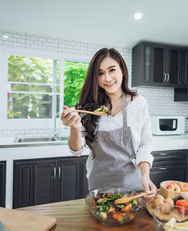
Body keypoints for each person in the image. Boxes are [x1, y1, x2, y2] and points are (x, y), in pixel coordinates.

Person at [60, 48, 156, 198]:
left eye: (112, 70)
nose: (107, 78)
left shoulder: (139, 103)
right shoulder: (89, 108)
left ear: (122, 71)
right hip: (99, 191)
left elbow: (145, 145)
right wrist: (75, 128)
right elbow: (76, 150)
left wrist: (145, 175)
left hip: (133, 190)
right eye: (100, 73)